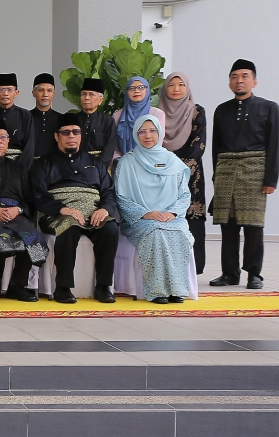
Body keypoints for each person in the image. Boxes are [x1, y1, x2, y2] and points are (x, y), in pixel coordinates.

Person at [209, 59, 279, 290]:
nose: (239, 80)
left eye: (244, 76)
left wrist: (270, 179)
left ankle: (254, 274)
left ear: (254, 81)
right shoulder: (221, 110)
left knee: (253, 226)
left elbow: (275, 145)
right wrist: (216, 177)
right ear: (230, 81)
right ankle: (229, 273)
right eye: (234, 76)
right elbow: (216, 147)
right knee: (228, 225)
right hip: (226, 171)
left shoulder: (269, 108)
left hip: (255, 170)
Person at [31, 114, 119, 304]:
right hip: (58, 214)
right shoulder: (44, 163)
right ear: (57, 136)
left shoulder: (96, 162)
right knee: (69, 227)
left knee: (110, 228)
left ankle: (103, 286)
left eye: (76, 132)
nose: (71, 136)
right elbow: (38, 194)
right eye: (66, 132)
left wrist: (104, 209)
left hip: (93, 211)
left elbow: (108, 191)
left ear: (81, 136)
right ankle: (63, 288)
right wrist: (63, 209)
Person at [114, 115, 193, 304]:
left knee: (177, 233)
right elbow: (120, 197)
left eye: (152, 131)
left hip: (171, 217)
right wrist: (145, 213)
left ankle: (177, 290)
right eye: (142, 131)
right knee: (156, 233)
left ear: (160, 133)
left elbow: (184, 194)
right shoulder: (127, 162)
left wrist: (172, 213)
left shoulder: (173, 161)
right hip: (140, 219)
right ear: (135, 134)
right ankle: (157, 291)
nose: (147, 136)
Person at [0, 118, 48, 303]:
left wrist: (18, 209)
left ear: (8, 141)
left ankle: (17, 286)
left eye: (3, 137)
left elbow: (30, 199)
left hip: (15, 214)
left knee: (33, 237)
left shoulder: (20, 169)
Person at [158, 72, 208, 273]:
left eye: (181, 85)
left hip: (191, 175)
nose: (176, 89)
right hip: (162, 177)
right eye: (172, 84)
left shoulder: (197, 111)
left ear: (187, 88)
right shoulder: (157, 113)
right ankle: (169, 268)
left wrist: (178, 169)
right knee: (166, 218)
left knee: (192, 218)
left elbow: (199, 144)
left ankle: (194, 268)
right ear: (165, 89)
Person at [0, 73, 34, 169]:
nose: (5, 93)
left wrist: (20, 170)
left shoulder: (25, 115)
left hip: (19, 166)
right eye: (1, 90)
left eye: (9, 89)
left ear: (16, 93)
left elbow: (29, 146)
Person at [114, 76, 165, 160]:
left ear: (147, 90)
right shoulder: (118, 115)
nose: (136, 91)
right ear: (127, 92)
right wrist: (118, 160)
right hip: (124, 162)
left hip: (149, 161)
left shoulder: (157, 114)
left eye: (141, 87)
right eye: (132, 88)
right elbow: (114, 146)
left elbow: (158, 143)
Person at [76, 78, 116, 168]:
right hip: (75, 167)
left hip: (98, 168)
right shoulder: (73, 119)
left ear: (100, 100)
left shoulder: (107, 121)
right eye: (84, 94)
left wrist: (97, 168)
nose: (86, 98)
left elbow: (109, 149)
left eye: (91, 94)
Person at [30, 73, 62, 161]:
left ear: (54, 93)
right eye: (41, 90)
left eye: (49, 90)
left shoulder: (61, 119)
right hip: (31, 165)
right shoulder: (26, 117)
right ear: (33, 93)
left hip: (55, 165)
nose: (45, 94)